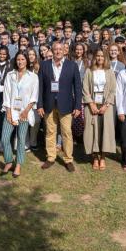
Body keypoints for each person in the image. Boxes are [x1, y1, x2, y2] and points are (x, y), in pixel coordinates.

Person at [38, 41, 82, 172]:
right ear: (51, 51)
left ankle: (68, 159)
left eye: (60, 49)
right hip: (48, 104)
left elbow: (78, 87)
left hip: (66, 104)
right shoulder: (44, 65)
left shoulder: (72, 65)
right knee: (50, 132)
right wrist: (39, 104)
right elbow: (40, 87)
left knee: (66, 133)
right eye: (55, 49)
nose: (57, 51)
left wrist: (78, 106)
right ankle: (51, 157)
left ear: (64, 51)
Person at [0, 51, 39, 178]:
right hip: (11, 111)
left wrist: (26, 111)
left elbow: (34, 96)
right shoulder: (10, 75)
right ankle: (9, 161)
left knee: (21, 139)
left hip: (24, 113)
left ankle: (18, 165)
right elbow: (6, 94)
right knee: (5, 138)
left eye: (22, 59)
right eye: (18, 59)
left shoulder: (33, 77)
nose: (20, 61)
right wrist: (9, 112)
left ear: (27, 60)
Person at [83, 49, 116, 171]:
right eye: (98, 55)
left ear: (105, 58)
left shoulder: (109, 72)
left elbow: (113, 90)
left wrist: (106, 105)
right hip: (92, 104)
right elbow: (85, 88)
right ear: (95, 57)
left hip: (105, 105)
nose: (100, 58)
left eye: (102, 56)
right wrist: (91, 103)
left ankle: (102, 157)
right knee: (92, 131)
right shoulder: (89, 71)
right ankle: (95, 157)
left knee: (105, 131)